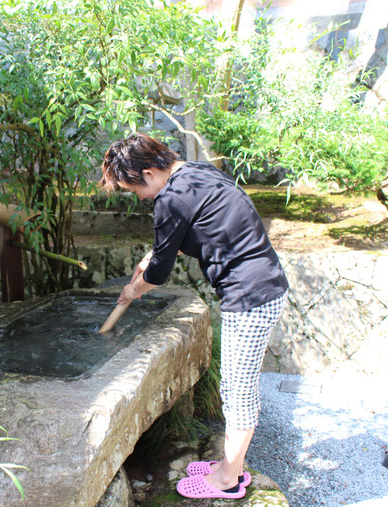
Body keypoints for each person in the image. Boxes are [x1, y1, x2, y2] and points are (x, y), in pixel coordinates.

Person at [100, 133, 289, 500]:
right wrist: (148, 260)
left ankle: (228, 478)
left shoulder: (169, 198)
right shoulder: (197, 173)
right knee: (237, 388)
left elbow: (158, 274)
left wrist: (133, 289)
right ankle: (226, 466)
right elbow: (175, 239)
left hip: (250, 295)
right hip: (261, 285)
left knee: (238, 393)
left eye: (134, 188)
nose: (139, 196)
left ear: (151, 172)